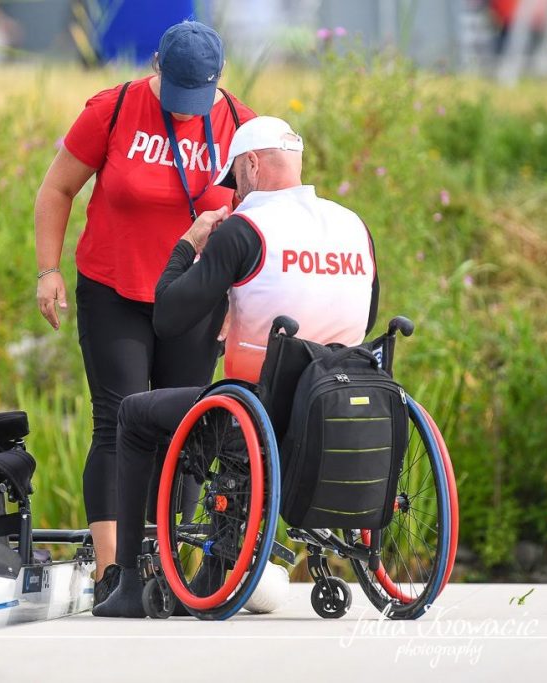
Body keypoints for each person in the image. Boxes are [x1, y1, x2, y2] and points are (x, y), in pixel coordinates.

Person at [93, 116, 381, 618]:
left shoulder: (245, 228)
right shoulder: (354, 225)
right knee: (233, 405)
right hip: (341, 408)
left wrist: (188, 245)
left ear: (251, 164)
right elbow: (368, 315)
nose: (234, 193)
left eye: (235, 180)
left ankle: (127, 581)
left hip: (261, 412)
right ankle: (215, 567)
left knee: (135, 416)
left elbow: (168, 316)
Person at [34, 20, 256, 591]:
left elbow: (261, 224)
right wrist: (49, 270)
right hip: (114, 289)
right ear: (157, 67)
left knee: (184, 427)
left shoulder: (240, 125)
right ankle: (113, 570)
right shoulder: (112, 109)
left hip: (195, 299)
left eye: (196, 97)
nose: (185, 111)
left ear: (218, 81)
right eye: (177, 93)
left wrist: (243, 302)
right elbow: (57, 189)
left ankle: (170, 568)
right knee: (117, 420)